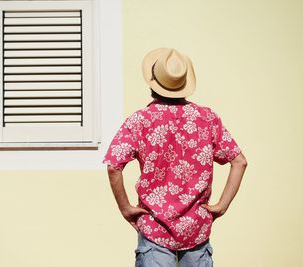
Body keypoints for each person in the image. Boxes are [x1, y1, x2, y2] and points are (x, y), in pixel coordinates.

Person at [103, 48, 247, 267]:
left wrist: (125, 208)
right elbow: (240, 161)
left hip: (154, 228)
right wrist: (222, 205)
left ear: (152, 83)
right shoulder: (206, 118)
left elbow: (114, 165)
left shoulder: (140, 121)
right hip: (196, 227)